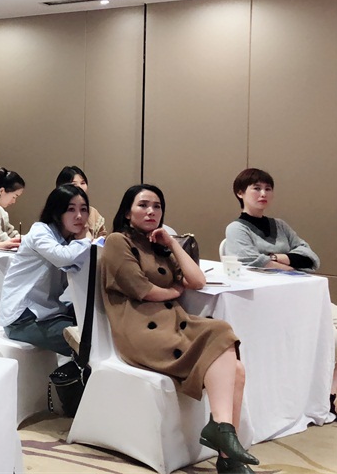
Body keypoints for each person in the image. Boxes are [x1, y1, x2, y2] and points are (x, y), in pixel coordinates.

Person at [103, 185, 256, 473]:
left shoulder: (158, 245)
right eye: (143, 205)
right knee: (221, 332)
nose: (151, 211)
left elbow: (197, 280)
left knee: (236, 368)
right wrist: (174, 290)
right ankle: (224, 441)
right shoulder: (117, 241)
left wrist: (172, 244)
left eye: (157, 206)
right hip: (140, 329)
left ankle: (227, 452)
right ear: (127, 212)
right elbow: (142, 289)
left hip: (173, 323)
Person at [224, 168, 335, 415]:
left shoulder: (280, 226)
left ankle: (332, 392)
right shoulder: (236, 229)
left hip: (300, 295)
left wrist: (275, 258)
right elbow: (250, 261)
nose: (263, 194)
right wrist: (290, 261)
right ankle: (330, 395)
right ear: (240, 193)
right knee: (333, 337)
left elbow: (311, 258)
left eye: (268, 189)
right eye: (256, 188)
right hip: (268, 302)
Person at [0, 185, 91, 356]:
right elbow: (64, 257)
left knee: (97, 321)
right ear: (57, 212)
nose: (79, 216)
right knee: (88, 341)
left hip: (48, 310)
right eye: (71, 209)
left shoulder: (71, 239)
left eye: (83, 209)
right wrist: (86, 240)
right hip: (22, 318)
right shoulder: (40, 232)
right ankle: (73, 372)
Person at [56, 165, 107, 238]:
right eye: (74, 184)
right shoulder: (56, 213)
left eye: (83, 183)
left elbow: (102, 238)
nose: (80, 187)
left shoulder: (93, 213)